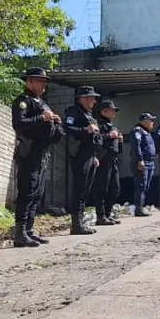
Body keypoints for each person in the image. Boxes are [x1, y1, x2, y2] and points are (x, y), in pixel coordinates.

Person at [10, 67, 62, 248]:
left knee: (37, 193)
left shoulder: (42, 103)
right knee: (27, 192)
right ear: (29, 81)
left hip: (41, 153)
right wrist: (42, 119)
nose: (44, 84)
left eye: (44, 80)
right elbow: (19, 124)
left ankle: (29, 230)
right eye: (39, 80)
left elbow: (53, 133)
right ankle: (20, 233)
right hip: (29, 152)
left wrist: (56, 124)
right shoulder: (23, 102)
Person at [63, 85, 104, 235]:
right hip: (79, 154)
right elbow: (67, 128)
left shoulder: (90, 114)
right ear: (84, 99)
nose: (94, 101)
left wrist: (95, 156)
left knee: (86, 189)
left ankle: (80, 221)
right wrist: (85, 130)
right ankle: (76, 224)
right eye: (92, 98)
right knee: (79, 189)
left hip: (90, 155)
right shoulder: (74, 112)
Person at [92, 99, 124, 226]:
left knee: (115, 188)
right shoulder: (99, 124)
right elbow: (97, 139)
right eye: (112, 111)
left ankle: (108, 214)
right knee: (102, 188)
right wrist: (110, 135)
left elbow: (117, 146)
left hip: (113, 158)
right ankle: (101, 215)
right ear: (104, 111)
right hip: (103, 158)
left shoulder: (112, 125)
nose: (114, 113)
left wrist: (119, 140)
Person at [129, 113, 157, 216]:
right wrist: (139, 159)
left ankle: (142, 206)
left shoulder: (147, 132)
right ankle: (139, 208)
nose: (152, 123)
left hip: (150, 162)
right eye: (151, 120)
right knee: (141, 185)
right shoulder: (137, 131)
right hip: (142, 162)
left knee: (146, 185)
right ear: (144, 121)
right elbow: (136, 146)